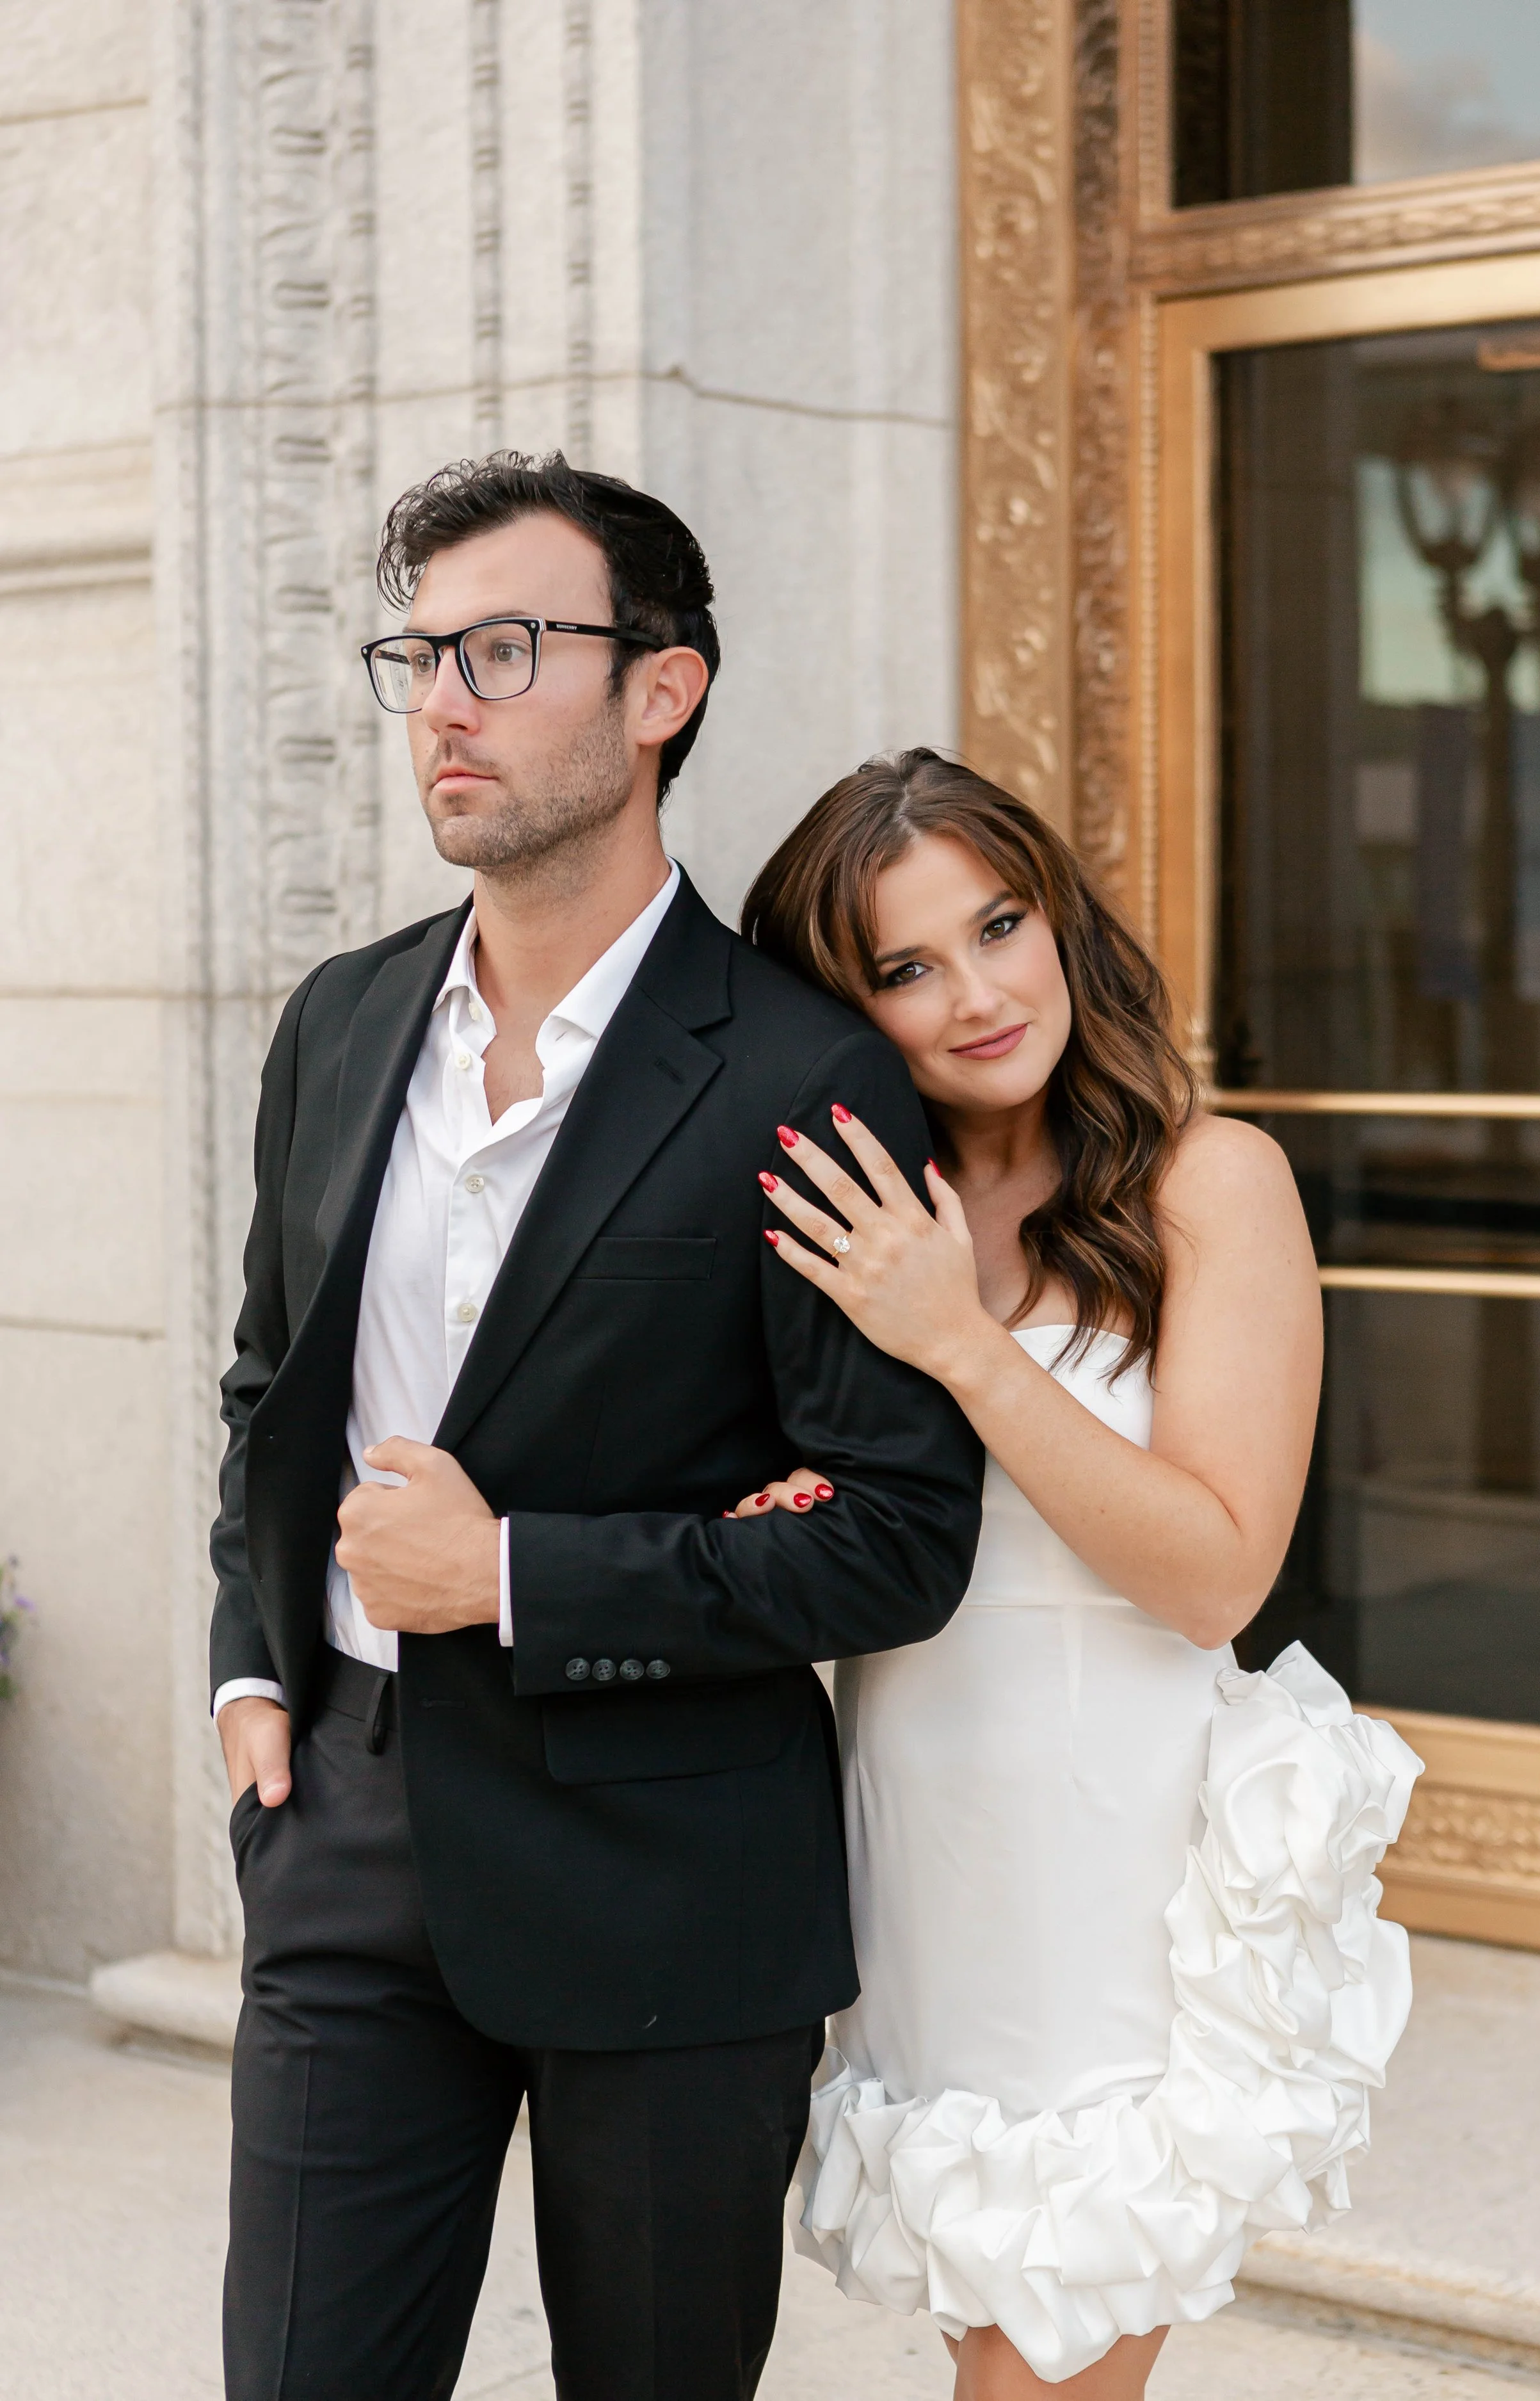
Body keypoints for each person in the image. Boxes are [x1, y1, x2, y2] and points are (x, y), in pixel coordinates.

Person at [209, 460, 985, 2401]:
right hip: (351, 1827)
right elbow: (267, 1385)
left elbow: (892, 1523)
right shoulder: (339, 1020)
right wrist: (249, 1660)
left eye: (500, 650)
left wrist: (510, 1574)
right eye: (419, 656)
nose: (441, 704)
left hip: (666, 1873)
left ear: (661, 692)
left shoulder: (802, 1070)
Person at [732, 750, 1422, 2400]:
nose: (977, 993)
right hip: (911, 1831)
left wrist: (963, 1346)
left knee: (1049, 2351)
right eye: (906, 966)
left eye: (1000, 926)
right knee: (995, 2330)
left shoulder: (1208, 1182)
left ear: (1063, 924)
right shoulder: (857, 1203)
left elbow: (1216, 1574)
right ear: (842, 999)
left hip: (1110, 1852)